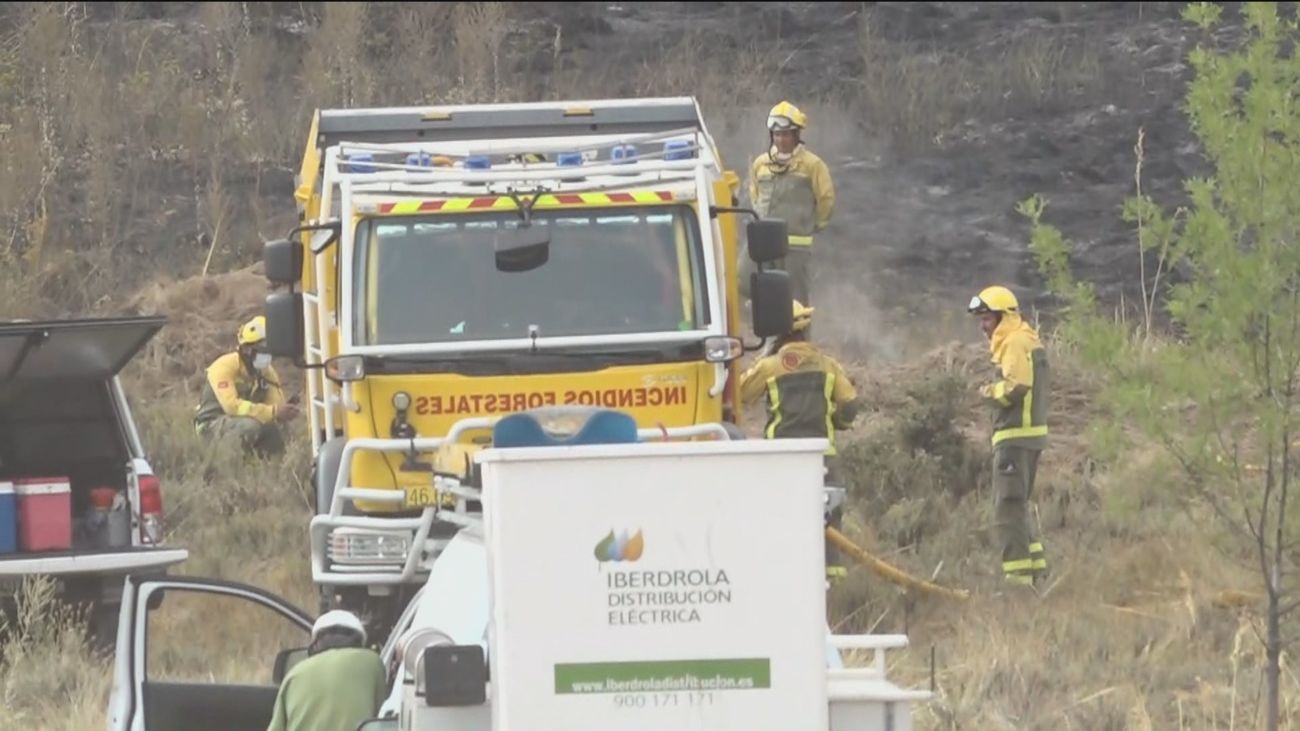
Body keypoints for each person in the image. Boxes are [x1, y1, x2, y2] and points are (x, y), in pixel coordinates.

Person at [738, 300, 861, 583]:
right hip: (823, 460)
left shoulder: (769, 367)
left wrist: (761, 361)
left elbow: (741, 393)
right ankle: (833, 590)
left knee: (781, 522)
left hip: (782, 460)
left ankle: (787, 581)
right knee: (829, 522)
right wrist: (838, 421)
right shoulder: (827, 365)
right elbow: (850, 405)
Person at [967, 285, 1051, 588]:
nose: (983, 326)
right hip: (1029, 438)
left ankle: (1017, 585)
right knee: (1018, 507)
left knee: (1007, 509)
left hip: (1014, 439)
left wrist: (988, 393)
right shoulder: (1027, 338)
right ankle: (1038, 573)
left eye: (986, 319)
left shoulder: (1014, 342)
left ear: (1003, 316)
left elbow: (1016, 385)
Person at [743, 101, 836, 308]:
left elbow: (826, 198)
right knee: (743, 281)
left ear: (796, 135)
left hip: (795, 247)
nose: (781, 139)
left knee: (795, 303)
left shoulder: (812, 165)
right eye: (777, 134)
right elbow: (755, 194)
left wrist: (816, 224)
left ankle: (798, 340)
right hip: (764, 244)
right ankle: (768, 335)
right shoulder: (761, 164)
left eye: (785, 134)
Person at [265, 610, 388, 731]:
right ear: (360, 642)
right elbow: (384, 717)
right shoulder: (373, 663)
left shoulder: (294, 673)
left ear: (316, 643)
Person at [193, 315, 298, 457]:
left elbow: (275, 403)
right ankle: (223, 465)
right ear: (246, 349)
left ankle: (267, 467)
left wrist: (284, 412)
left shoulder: (265, 371)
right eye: (262, 347)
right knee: (250, 426)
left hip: (239, 421)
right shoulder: (224, 366)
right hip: (211, 424)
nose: (266, 353)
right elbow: (232, 406)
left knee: (278, 427)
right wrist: (272, 412)